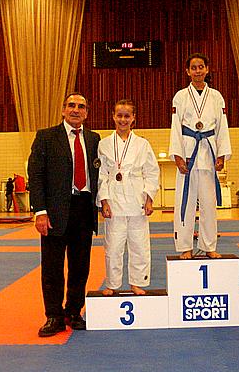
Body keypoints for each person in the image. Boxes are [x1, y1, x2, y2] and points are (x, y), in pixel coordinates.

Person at [27, 92, 100, 337]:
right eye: (71, 105)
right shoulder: (46, 137)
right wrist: (40, 211)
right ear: (63, 110)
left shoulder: (94, 139)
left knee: (80, 266)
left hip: (84, 208)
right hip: (55, 211)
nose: (76, 110)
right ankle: (54, 316)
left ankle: (73, 311)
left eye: (81, 106)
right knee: (52, 267)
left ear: (86, 113)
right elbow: (36, 176)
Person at [169, 52, 231, 259]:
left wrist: (221, 154)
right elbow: (175, 127)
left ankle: (209, 245)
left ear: (207, 69)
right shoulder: (180, 96)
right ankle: (185, 246)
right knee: (185, 202)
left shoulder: (216, 96)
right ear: (188, 71)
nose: (197, 71)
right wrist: (177, 155)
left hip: (208, 153)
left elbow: (222, 127)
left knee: (208, 205)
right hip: (188, 153)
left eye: (201, 67)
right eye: (193, 68)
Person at [97, 100, 159, 296]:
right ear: (113, 117)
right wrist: (104, 201)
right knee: (113, 247)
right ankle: (112, 284)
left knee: (139, 245)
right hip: (114, 200)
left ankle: (137, 282)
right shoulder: (104, 144)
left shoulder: (142, 144)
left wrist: (149, 198)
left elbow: (152, 172)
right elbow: (102, 175)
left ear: (133, 118)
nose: (123, 119)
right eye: (119, 115)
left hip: (137, 199)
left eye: (127, 116)